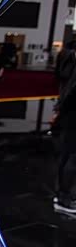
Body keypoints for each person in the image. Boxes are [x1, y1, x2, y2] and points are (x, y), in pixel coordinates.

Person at [54, 65, 76, 215]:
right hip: (73, 120)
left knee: (67, 156)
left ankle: (62, 195)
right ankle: (64, 199)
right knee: (72, 159)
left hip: (69, 119)